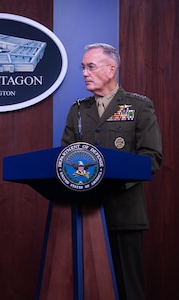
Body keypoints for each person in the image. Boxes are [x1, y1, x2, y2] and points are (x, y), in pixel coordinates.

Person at [61, 43, 163, 300]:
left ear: (111, 69)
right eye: (82, 67)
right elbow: (65, 158)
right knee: (87, 288)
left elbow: (151, 158)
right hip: (85, 213)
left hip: (124, 213)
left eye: (90, 66)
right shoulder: (78, 111)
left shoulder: (138, 106)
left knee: (128, 288)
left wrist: (112, 182)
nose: (84, 72)